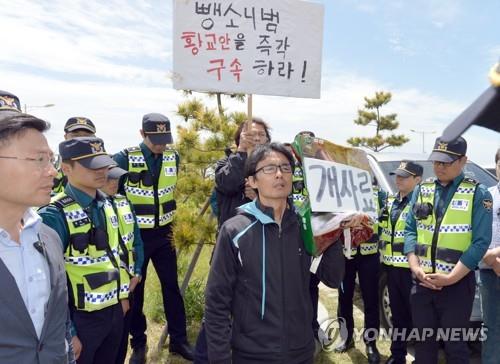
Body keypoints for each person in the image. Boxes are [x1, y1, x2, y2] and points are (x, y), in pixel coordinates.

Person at [204, 142, 344, 364]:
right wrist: (220, 358)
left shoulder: (305, 227)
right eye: (269, 169)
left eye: (286, 168)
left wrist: (334, 230)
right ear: (252, 181)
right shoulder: (234, 230)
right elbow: (216, 302)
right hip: (251, 354)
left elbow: (333, 278)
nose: (280, 174)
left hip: (301, 351)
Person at [40, 137, 130, 364]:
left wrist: (122, 296)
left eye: (103, 163)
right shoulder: (53, 214)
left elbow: (117, 255)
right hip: (80, 320)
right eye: (92, 165)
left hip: (113, 311)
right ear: (66, 168)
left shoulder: (108, 205)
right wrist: (68, 332)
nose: (102, 171)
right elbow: (49, 282)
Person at [404, 136, 492, 364]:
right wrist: (415, 267)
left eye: (446, 162)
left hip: (457, 286)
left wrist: (451, 278)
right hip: (422, 283)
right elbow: (410, 229)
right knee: (424, 345)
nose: (439, 167)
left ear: (463, 161)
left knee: (456, 347)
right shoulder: (422, 189)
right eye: (436, 162)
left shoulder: (478, 194)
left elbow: (481, 242)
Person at [113, 113, 193, 362]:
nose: (161, 145)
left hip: (165, 233)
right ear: (142, 134)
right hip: (136, 237)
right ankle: (138, 343)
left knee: (172, 287)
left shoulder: (173, 156)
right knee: (136, 291)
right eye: (155, 139)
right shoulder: (123, 158)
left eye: (164, 139)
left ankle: (178, 341)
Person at [0, 92, 70, 363]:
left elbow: (57, 333)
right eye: (39, 160)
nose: (52, 171)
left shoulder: (48, 238)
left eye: (51, 161)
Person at [335, 185, 385, 364]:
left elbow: (383, 221)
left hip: (369, 256)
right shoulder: (338, 190)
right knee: (344, 298)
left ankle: (371, 343)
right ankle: (346, 338)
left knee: (371, 300)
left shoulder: (375, 193)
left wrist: (364, 219)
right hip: (345, 255)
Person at [100, 165, 145, 364]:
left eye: (117, 179)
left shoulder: (125, 202)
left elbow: (137, 241)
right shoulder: (92, 207)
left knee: (121, 338)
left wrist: (138, 273)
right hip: (105, 289)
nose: (114, 183)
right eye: (110, 179)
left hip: (129, 282)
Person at [379, 161, 423, 364]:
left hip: (413, 271)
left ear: (417, 179)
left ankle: (421, 357)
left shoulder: (423, 203)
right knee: (397, 316)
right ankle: (398, 356)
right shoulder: (390, 200)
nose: (398, 179)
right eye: (397, 175)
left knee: (420, 318)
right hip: (391, 268)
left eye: (404, 176)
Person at [214, 117, 271, 226]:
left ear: (267, 140)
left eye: (262, 134)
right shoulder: (226, 163)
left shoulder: (273, 167)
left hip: (265, 232)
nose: (257, 138)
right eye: (252, 134)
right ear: (240, 138)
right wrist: (242, 150)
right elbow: (228, 185)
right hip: (233, 232)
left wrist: (258, 200)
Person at [478, 147, 500, 364]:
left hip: (493, 261)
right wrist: (490, 259)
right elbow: (474, 232)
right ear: (496, 166)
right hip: (489, 273)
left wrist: (496, 254)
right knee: (491, 327)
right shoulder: (486, 197)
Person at [52, 117, 97, 194]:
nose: (81, 140)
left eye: (86, 136)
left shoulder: (106, 166)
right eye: (75, 135)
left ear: (94, 138)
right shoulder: (53, 169)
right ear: (65, 137)